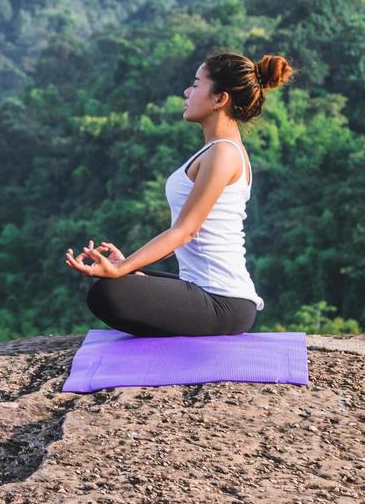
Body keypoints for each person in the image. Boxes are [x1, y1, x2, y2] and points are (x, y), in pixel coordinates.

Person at [63, 52, 295, 336]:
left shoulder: (223, 153)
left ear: (220, 99)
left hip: (223, 301)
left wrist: (124, 267)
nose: (187, 91)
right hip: (205, 290)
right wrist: (130, 266)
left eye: (196, 84)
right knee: (120, 279)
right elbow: (186, 233)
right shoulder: (217, 150)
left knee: (106, 293)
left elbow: (185, 231)